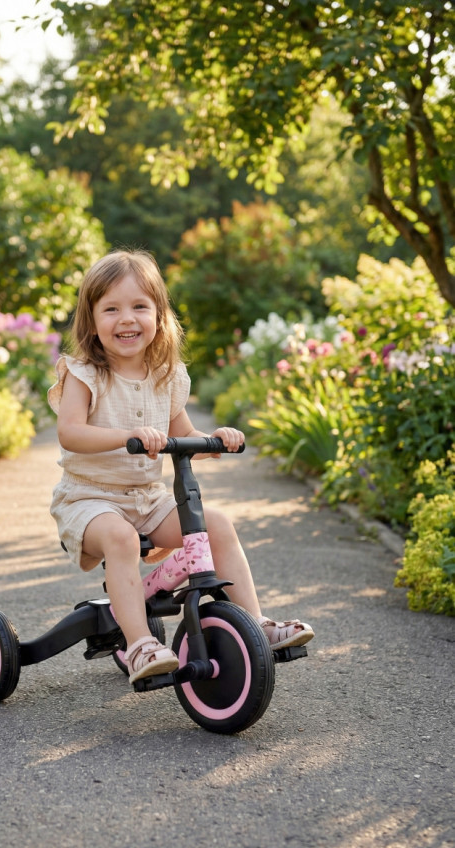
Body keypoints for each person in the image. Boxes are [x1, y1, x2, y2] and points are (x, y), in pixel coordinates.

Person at [48, 249, 314, 684]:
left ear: (159, 315)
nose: (127, 319)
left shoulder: (167, 377)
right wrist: (126, 438)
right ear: (92, 320)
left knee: (217, 523)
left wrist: (217, 441)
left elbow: (183, 435)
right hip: (89, 500)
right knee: (119, 537)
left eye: (139, 306)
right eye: (111, 309)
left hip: (148, 501)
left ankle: (256, 622)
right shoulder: (83, 374)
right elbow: (70, 433)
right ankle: (139, 646)